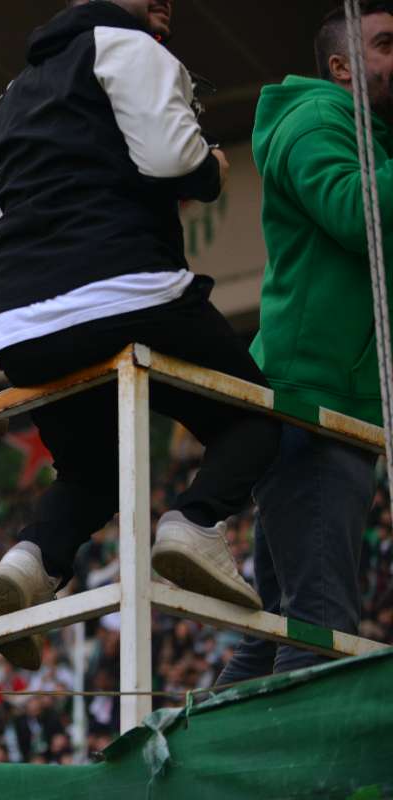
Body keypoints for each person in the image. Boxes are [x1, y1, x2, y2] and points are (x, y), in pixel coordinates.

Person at [0, 0, 280, 669]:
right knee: (255, 416)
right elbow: (174, 157)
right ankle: (195, 524)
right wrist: (213, 172)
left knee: (92, 469)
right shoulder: (126, 45)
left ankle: (29, 563)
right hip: (127, 290)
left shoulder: (1, 106)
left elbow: (0, 230)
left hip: (24, 326)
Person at [218, 3, 393, 682]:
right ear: (341, 66)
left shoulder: (371, 139)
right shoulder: (316, 120)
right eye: (385, 43)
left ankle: (190, 773)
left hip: (324, 406)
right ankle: (305, 789)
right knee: (319, 622)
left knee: (279, 626)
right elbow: (355, 213)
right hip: (313, 406)